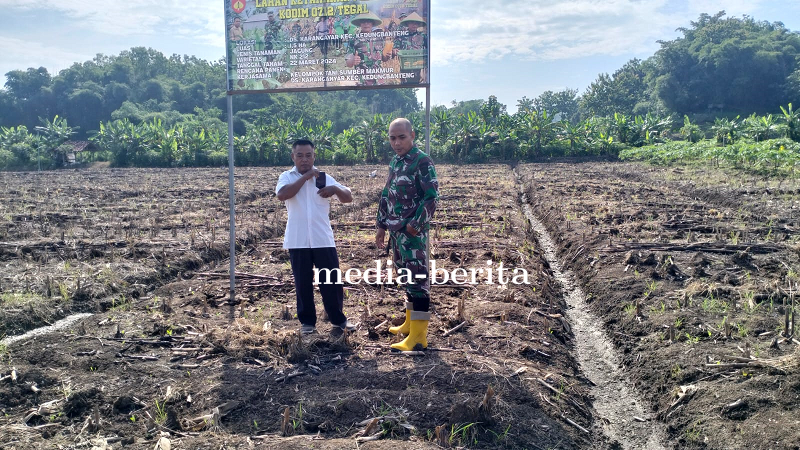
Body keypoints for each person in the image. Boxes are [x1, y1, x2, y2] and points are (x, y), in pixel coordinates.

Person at [276, 139, 356, 335]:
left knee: (331, 281)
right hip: (298, 239)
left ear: (314, 156)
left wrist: (335, 189)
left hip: (322, 239)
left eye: (308, 155)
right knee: (302, 283)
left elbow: (348, 196)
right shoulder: (286, 177)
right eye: (300, 155)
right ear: (292, 157)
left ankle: (338, 320)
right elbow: (283, 195)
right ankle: (307, 324)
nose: (304, 159)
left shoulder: (325, 178)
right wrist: (307, 177)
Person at [375, 118, 439, 351]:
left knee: (418, 281)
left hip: (412, 233)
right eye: (392, 138)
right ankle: (410, 325)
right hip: (395, 230)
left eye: (401, 137)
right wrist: (381, 224)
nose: (397, 142)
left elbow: (431, 197)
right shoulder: (396, 161)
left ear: (412, 135)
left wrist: (416, 224)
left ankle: (419, 338)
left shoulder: (422, 161)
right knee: (405, 277)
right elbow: (386, 194)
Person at [344, 12, 390, 86]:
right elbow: (348, 63)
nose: (366, 24)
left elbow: (384, 59)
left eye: (368, 21)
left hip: (379, 80)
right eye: (363, 21)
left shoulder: (380, 38)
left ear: (372, 23)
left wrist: (387, 56)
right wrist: (353, 60)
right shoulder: (353, 40)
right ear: (360, 24)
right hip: (362, 80)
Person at [394, 12, 427, 84]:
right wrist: (395, 50)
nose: (414, 25)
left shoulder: (423, 36)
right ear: (408, 24)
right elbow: (395, 47)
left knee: (416, 83)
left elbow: (429, 49)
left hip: (417, 66)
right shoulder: (401, 35)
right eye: (412, 23)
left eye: (416, 23)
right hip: (405, 65)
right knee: (404, 84)